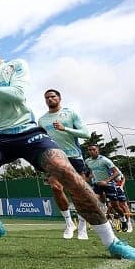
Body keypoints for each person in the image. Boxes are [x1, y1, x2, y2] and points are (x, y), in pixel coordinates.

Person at [0, 30, 135, 262]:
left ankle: (113, 242)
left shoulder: (16, 66)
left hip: (27, 132)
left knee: (66, 172)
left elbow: (17, 94)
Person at [38, 89, 91, 240]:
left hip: (74, 156)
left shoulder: (70, 113)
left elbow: (86, 133)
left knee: (80, 192)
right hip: (54, 157)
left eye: (53, 96)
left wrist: (65, 128)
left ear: (59, 98)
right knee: (55, 186)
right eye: (47, 97)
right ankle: (69, 222)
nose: (50, 99)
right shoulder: (42, 120)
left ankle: (82, 225)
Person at [85, 145, 133, 233]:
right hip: (97, 184)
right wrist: (89, 178)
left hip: (109, 185)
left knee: (115, 206)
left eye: (93, 149)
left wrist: (106, 181)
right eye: (89, 150)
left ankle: (123, 220)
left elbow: (116, 172)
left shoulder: (104, 160)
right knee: (94, 198)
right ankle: (104, 216)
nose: (91, 151)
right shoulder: (87, 161)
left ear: (97, 151)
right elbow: (92, 171)